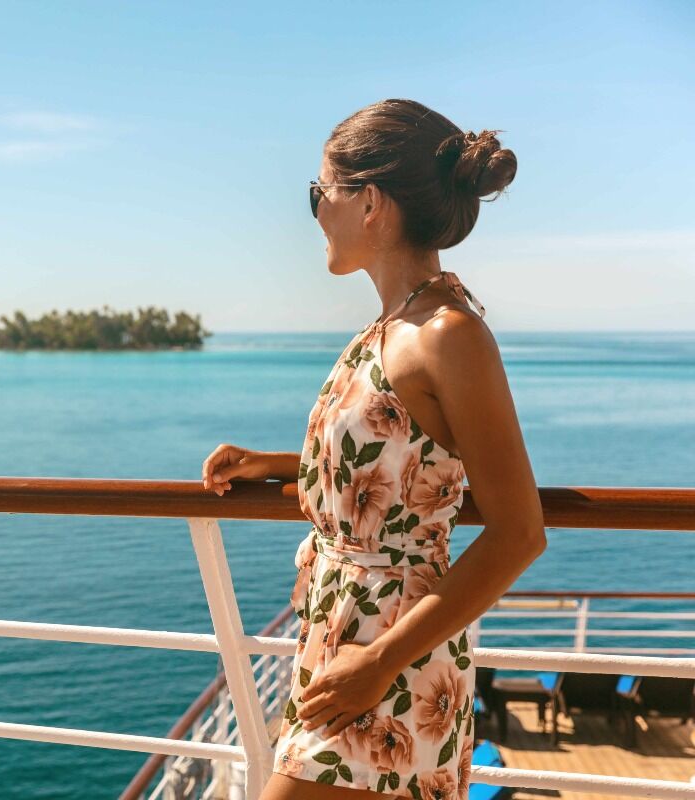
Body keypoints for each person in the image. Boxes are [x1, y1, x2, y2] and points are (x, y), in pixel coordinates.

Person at [200, 99, 546, 800]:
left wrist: (381, 662)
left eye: (318, 194)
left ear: (370, 203)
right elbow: (397, 459)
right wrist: (274, 464)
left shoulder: (449, 334)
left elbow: (519, 533)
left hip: (395, 659)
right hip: (340, 643)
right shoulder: (387, 327)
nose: (315, 214)